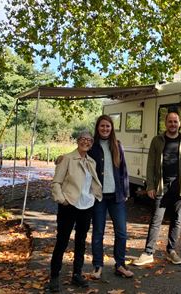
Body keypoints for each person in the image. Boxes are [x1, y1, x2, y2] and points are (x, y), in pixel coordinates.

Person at [133, 110, 181, 266]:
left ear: (179, 124)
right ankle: (148, 252)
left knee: (177, 220)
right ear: (165, 123)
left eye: (175, 121)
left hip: (180, 186)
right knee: (156, 220)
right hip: (162, 186)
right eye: (170, 121)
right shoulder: (157, 140)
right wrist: (150, 185)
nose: (173, 124)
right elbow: (150, 165)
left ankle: (171, 251)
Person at [48, 131, 102, 293]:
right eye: (83, 139)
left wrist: (94, 197)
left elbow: (92, 182)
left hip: (86, 206)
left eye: (89, 140)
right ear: (78, 141)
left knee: (81, 241)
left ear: (91, 144)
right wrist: (61, 199)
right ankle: (54, 276)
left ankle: (77, 274)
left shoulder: (91, 161)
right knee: (62, 241)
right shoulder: (67, 159)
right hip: (69, 205)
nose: (86, 142)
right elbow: (56, 182)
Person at [87, 115, 134, 279]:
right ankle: (97, 266)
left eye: (108, 126)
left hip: (116, 197)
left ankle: (120, 265)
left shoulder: (117, 145)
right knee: (98, 232)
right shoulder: (92, 146)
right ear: (97, 128)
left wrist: (126, 191)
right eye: (102, 126)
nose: (105, 129)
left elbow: (123, 171)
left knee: (121, 232)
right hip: (98, 197)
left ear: (112, 128)